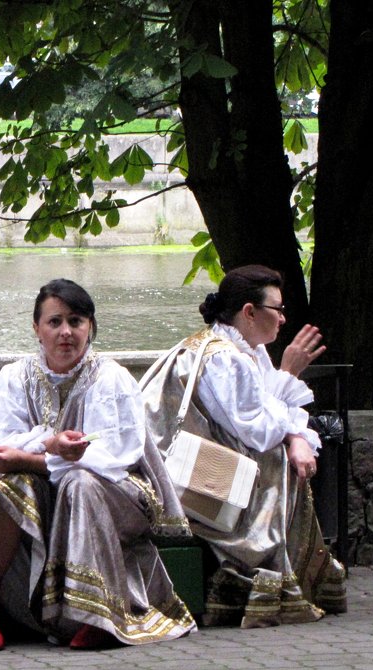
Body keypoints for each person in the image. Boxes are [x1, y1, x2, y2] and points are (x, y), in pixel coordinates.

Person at [0, 278, 197, 651]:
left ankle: (99, 615)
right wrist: (49, 444)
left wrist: (35, 456)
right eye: (54, 322)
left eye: (76, 321)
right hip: (55, 492)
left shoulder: (110, 377)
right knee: (10, 486)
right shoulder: (13, 377)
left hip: (121, 493)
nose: (65, 332)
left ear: (90, 327)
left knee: (81, 482)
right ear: (36, 328)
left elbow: (112, 457)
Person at [141, 264, 347, 628]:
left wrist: (297, 435)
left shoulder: (246, 350)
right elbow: (260, 431)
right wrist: (290, 375)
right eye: (278, 309)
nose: (283, 319)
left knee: (287, 454)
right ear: (250, 312)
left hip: (216, 456)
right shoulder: (224, 358)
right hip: (197, 475)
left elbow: (273, 411)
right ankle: (261, 574)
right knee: (277, 461)